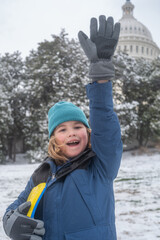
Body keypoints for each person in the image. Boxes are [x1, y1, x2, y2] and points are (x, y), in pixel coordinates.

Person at [3, 15, 123, 240]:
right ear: (53, 139)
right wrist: (9, 222)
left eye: (78, 126)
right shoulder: (43, 173)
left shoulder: (100, 165)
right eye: (62, 129)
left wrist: (101, 76)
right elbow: (19, 205)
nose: (71, 133)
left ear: (88, 133)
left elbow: (105, 127)